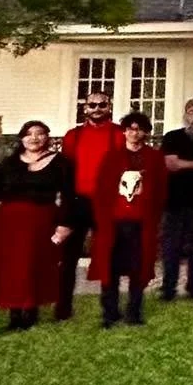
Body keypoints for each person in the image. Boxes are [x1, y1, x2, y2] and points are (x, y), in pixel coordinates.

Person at [0, 120, 74, 330]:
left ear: (47, 137)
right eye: (29, 134)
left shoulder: (61, 162)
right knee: (11, 268)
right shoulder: (9, 163)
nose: (34, 138)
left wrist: (64, 224)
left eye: (39, 133)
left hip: (41, 221)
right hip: (9, 223)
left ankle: (31, 312)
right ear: (22, 138)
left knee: (34, 266)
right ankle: (14, 314)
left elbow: (69, 196)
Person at [89, 111, 168, 328]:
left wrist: (155, 216)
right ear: (124, 131)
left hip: (141, 222)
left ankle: (134, 311)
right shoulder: (112, 157)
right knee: (110, 268)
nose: (135, 133)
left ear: (146, 132)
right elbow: (101, 189)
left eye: (139, 129)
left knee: (138, 268)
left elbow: (161, 190)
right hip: (114, 222)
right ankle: (110, 312)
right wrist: (101, 219)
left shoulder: (154, 158)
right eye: (131, 129)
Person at [56, 90, 123, 320]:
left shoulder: (119, 134)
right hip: (77, 202)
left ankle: (110, 309)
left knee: (108, 256)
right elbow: (65, 171)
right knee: (68, 257)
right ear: (85, 108)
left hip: (107, 203)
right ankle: (63, 309)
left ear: (109, 107)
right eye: (92, 105)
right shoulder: (73, 136)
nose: (97, 109)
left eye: (102, 105)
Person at [159, 97, 193, 302]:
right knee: (171, 248)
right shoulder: (173, 137)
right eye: (192, 112)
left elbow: (181, 164)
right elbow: (171, 165)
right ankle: (168, 289)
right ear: (185, 115)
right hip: (173, 202)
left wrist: (184, 164)